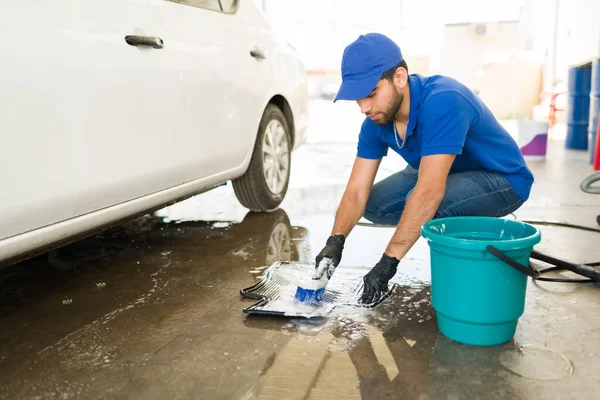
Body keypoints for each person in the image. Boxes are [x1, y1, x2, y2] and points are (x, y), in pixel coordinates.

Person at [315, 33, 534, 304]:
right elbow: (356, 192)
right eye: (357, 99)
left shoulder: (444, 99)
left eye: (371, 94)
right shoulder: (375, 122)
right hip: (447, 172)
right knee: (373, 205)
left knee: (423, 201)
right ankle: (447, 214)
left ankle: (465, 238)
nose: (364, 108)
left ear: (399, 77)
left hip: (502, 179)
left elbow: (429, 191)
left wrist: (388, 263)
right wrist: (335, 241)